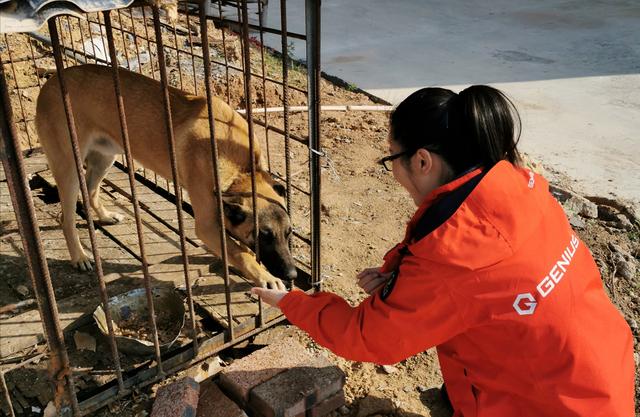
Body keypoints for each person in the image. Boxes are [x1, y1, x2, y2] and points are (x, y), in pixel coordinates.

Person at [251, 86, 635, 416]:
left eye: (391, 159)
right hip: (602, 379)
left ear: (422, 160)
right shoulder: (518, 186)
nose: (393, 170)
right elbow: (476, 277)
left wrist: (293, 302)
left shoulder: (452, 263)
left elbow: (367, 338)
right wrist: (401, 277)